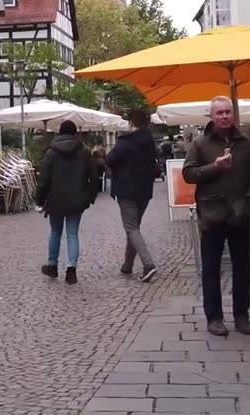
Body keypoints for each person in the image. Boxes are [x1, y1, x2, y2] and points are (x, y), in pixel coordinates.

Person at [183, 96, 250, 337]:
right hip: (212, 214)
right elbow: (188, 174)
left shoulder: (246, 143)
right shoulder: (200, 144)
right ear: (212, 116)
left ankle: (242, 316)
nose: (225, 116)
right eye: (219, 113)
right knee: (211, 269)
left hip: (240, 214)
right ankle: (214, 317)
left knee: (242, 267)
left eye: (228, 112)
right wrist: (214, 167)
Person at [35, 120, 99, 285]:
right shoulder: (84, 152)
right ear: (75, 133)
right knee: (72, 234)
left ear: (59, 133)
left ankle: (52, 266)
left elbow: (44, 180)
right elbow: (94, 177)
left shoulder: (51, 153)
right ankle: (71, 270)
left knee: (55, 233)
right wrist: (89, 198)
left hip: (55, 200)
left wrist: (40, 200)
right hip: (77, 200)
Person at [106, 109, 160, 281]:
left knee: (131, 227)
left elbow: (110, 160)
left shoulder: (125, 142)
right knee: (134, 227)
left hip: (126, 190)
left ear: (131, 123)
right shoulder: (149, 141)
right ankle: (127, 265)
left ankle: (148, 264)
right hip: (144, 190)